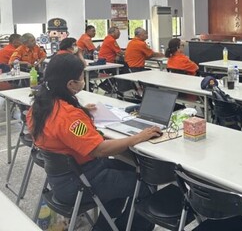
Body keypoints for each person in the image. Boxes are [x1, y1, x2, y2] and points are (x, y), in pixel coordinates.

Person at [27, 54, 159, 231]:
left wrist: (80, 111)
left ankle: (107, 226)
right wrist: (138, 137)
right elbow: (99, 149)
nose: (83, 80)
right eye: (81, 77)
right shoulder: (70, 119)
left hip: (64, 178)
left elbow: (61, 131)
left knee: (128, 169)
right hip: (80, 182)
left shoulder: (38, 107)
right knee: (147, 183)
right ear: (71, 84)